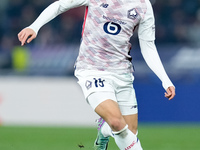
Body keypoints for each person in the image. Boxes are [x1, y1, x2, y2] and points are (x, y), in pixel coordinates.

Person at [18, 0, 176, 149]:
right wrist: (35, 26)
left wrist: (165, 80)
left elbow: (148, 46)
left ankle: (104, 130)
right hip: (91, 69)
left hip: (123, 74)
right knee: (116, 121)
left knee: (129, 132)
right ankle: (110, 127)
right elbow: (61, 4)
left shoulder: (144, 6)